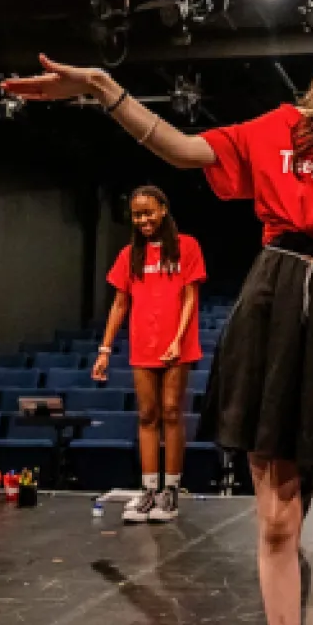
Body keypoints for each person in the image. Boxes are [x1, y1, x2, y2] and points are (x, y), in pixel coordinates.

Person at [1, 0, 313, 625]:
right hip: (275, 302)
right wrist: (104, 89)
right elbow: (184, 149)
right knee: (276, 521)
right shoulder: (289, 126)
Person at [92, 186, 206, 524]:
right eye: (137, 215)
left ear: (163, 209)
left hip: (177, 344)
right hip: (143, 343)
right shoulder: (130, 254)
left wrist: (178, 339)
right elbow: (119, 304)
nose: (143, 220)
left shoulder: (187, 246)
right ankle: (149, 490)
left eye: (148, 213)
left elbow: (190, 297)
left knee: (171, 411)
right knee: (147, 414)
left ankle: (170, 491)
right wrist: (104, 350)